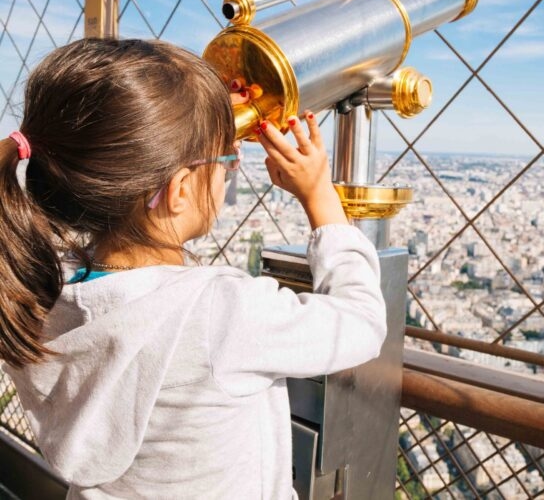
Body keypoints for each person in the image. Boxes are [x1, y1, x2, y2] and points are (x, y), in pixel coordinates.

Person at [0, 39, 386, 498]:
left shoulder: (36, 288)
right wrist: (321, 197)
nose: (229, 171)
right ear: (180, 189)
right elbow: (362, 323)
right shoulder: (219, 313)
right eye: (228, 161)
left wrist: (199, 112)